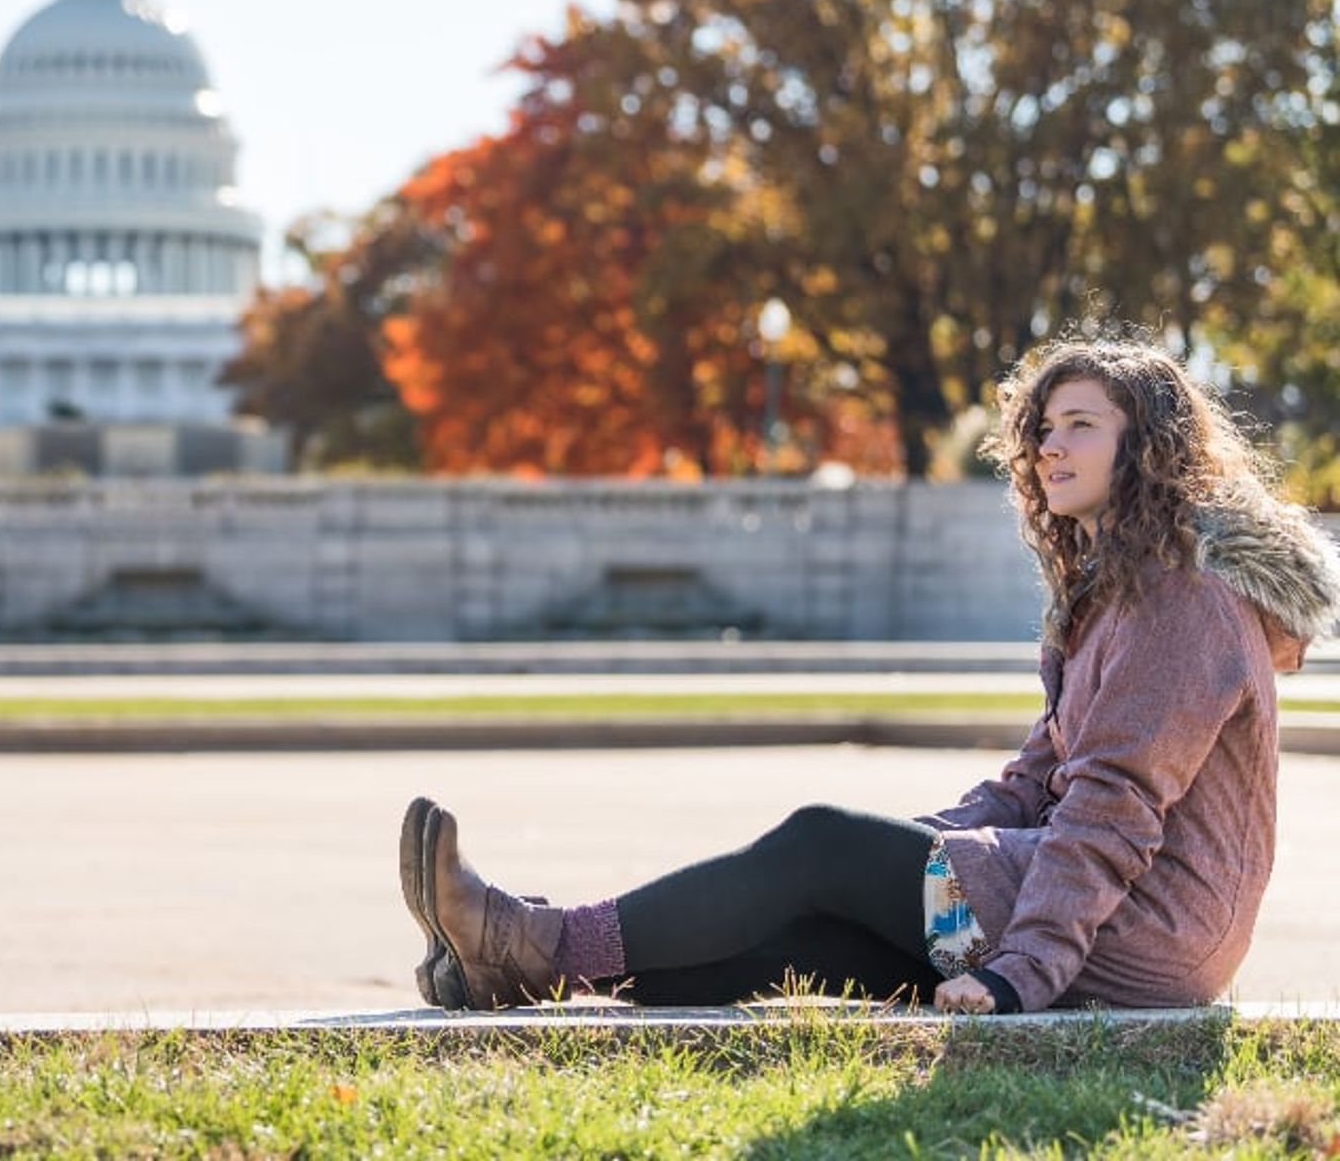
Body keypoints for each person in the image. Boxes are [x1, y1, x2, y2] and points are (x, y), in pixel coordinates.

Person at [399, 335, 1340, 1014]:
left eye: (1081, 426)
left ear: (1148, 448)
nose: (1049, 445)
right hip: (1105, 914)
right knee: (803, 942)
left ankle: (537, 941)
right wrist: (919, 844)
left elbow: (1113, 808)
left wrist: (1024, 975)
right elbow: (1032, 781)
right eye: (1045, 425)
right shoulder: (1114, 594)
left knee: (820, 845)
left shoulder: (1182, 602)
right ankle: (518, 973)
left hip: (1145, 933)